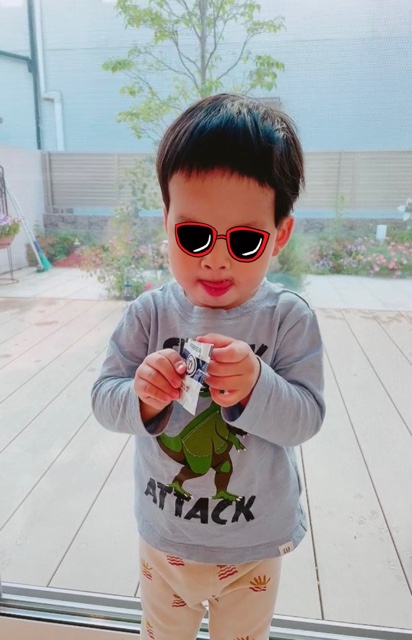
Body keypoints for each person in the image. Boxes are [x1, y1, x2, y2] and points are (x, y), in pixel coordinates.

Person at [91, 93, 325, 640]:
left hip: (253, 544)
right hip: (165, 539)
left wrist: (257, 385)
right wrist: (141, 397)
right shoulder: (148, 313)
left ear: (280, 235)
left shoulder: (288, 319)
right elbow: (104, 399)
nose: (214, 258)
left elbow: (306, 419)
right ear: (167, 222)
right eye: (193, 235)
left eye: (244, 241)